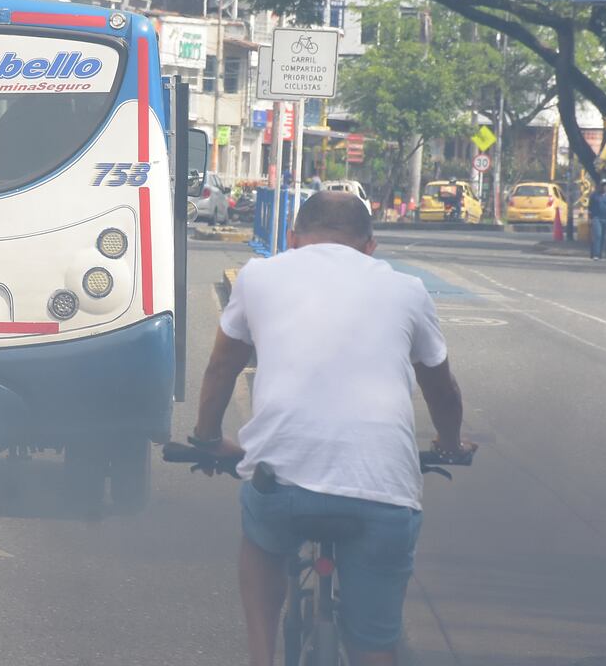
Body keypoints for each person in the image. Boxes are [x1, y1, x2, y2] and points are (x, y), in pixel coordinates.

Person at [190, 191, 472, 666]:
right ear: (370, 247)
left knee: (262, 540)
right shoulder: (409, 291)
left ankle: (262, 657)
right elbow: (441, 390)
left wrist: (205, 437)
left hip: (281, 485)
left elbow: (222, 367)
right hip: (383, 492)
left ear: (292, 238)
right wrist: (448, 443)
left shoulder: (259, 276)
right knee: (375, 642)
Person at [588, 178, 606, 260]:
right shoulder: (594, 195)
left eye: (605, 185)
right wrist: (590, 218)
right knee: (598, 235)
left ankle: (600, 253)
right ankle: (596, 254)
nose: (603, 187)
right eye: (602, 185)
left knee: (604, 237)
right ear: (599, 186)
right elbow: (590, 208)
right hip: (596, 218)